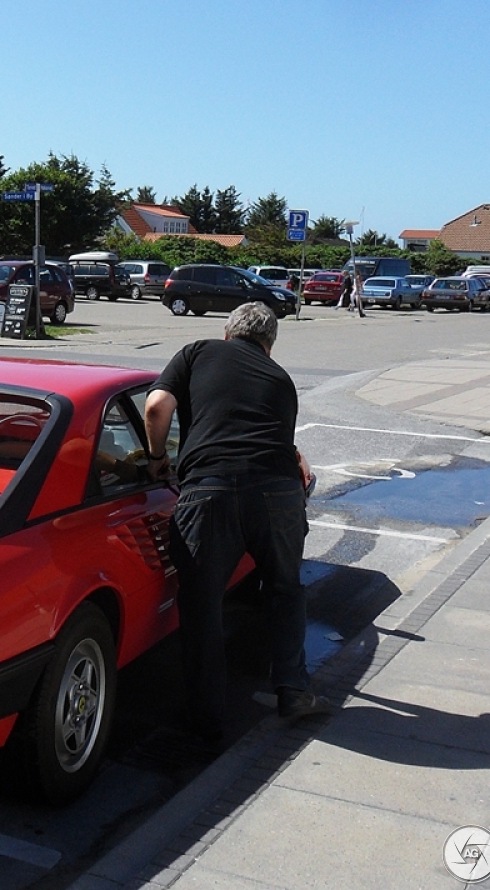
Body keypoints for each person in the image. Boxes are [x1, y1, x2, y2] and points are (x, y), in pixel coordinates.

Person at [144, 302, 330, 741]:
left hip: (212, 490)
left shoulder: (197, 352)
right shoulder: (281, 379)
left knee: (203, 604)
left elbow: (155, 408)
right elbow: (282, 445)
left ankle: (207, 720)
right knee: (285, 589)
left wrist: (157, 460)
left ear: (227, 332)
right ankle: (292, 688)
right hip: (281, 495)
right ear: (269, 347)